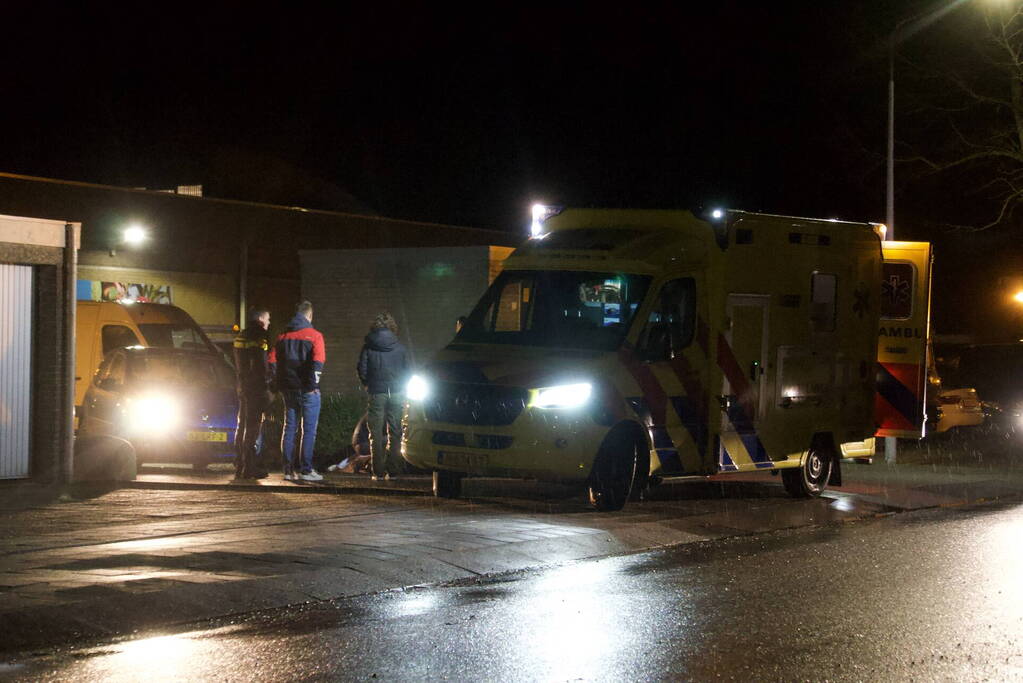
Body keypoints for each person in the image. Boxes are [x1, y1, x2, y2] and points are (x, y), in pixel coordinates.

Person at [269, 300, 325, 482]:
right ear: (309, 315)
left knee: (289, 428)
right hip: (307, 390)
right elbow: (318, 363)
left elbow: (272, 361)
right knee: (308, 430)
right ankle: (306, 470)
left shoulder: (282, 336)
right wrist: (312, 386)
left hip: (288, 389)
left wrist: (277, 384)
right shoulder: (315, 336)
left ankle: (287, 470)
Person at [357, 313, 410, 481]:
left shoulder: (368, 346)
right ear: (392, 327)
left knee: (375, 432)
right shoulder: (400, 347)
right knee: (395, 431)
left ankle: (377, 471)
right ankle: (393, 470)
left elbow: (362, 368)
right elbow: (407, 371)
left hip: (376, 392)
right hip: (396, 392)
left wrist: (368, 384)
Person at [233, 307, 273, 479]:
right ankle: (250, 467)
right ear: (262, 319)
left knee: (241, 425)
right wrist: (268, 386)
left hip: (243, 386)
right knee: (253, 427)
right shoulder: (260, 337)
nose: (269, 323)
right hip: (256, 388)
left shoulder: (241, 335)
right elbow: (261, 365)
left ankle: (239, 463)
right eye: (268, 319)